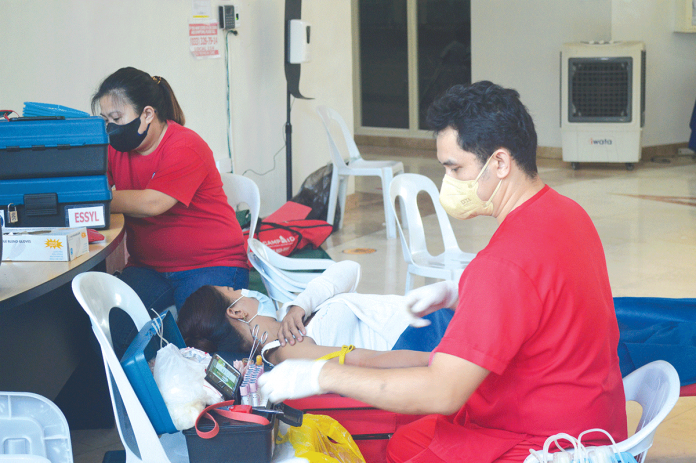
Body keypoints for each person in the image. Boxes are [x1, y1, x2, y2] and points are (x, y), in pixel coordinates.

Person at [258, 81, 628, 463]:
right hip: (591, 417)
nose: (448, 182)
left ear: (499, 163)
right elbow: (545, 293)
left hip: (548, 443)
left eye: (455, 168)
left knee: (410, 438)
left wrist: (321, 376)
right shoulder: (568, 213)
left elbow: (443, 391)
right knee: (407, 441)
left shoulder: (504, 264)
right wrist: (456, 291)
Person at [91, 67, 248, 356]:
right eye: (105, 120)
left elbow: (153, 203)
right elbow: (92, 184)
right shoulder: (115, 150)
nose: (110, 128)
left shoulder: (186, 145)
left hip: (210, 262)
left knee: (206, 340)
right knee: (114, 328)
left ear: (148, 114)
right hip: (150, 266)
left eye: (117, 119)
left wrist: (97, 199)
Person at [177, 259, 454, 367]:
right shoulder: (285, 351)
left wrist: (301, 305)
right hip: (425, 340)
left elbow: (349, 268)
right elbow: (367, 361)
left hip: (429, 317)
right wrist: (444, 362)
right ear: (236, 311)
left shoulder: (290, 313)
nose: (242, 289)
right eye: (233, 290)